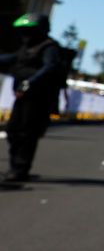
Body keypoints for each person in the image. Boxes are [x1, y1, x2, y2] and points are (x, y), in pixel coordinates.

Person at [0, 14, 62, 183]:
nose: (24, 35)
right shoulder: (27, 47)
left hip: (38, 99)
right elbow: (12, 59)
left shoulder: (49, 47)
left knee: (27, 133)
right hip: (22, 96)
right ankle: (15, 168)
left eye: (28, 31)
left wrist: (30, 82)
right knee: (13, 131)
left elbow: (50, 67)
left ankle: (20, 169)